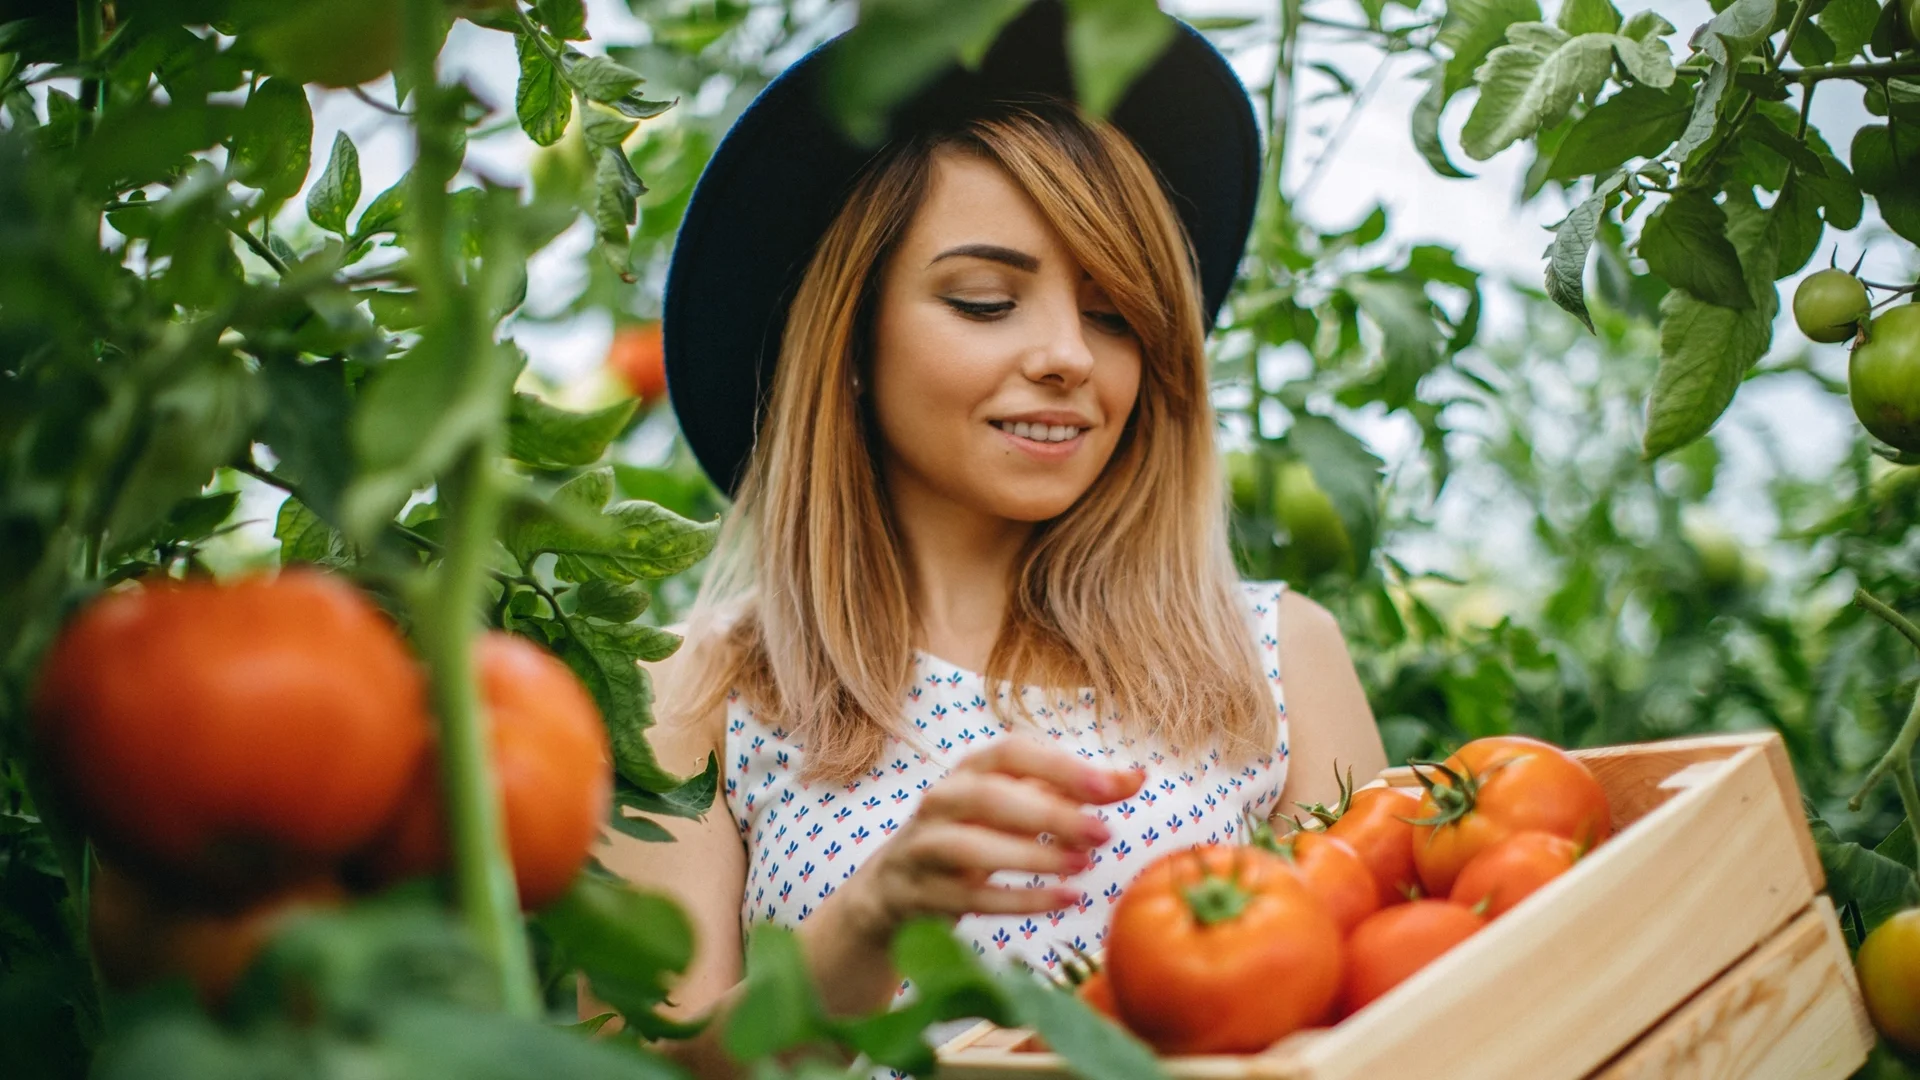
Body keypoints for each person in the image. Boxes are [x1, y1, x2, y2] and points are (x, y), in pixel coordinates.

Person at [596, 3, 1386, 1075]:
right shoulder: (700, 695)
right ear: (854, 341)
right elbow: (640, 1064)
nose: (1068, 354)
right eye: (984, 301)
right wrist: (871, 919)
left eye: (1114, 315)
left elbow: (1390, 1007)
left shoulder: (1276, 656)